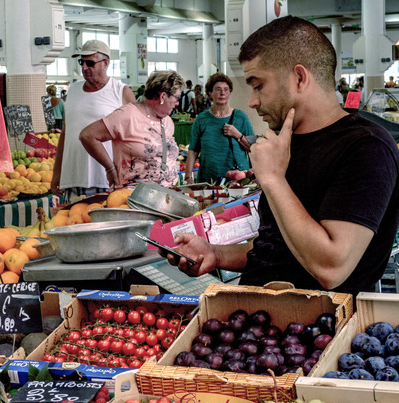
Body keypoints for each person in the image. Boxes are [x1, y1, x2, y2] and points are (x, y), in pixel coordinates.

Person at [163, 16, 399, 296]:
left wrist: (274, 180)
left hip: (313, 330)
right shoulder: (288, 143)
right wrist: (215, 254)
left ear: (299, 78)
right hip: (255, 320)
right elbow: (278, 246)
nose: (252, 101)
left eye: (258, 85)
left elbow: (331, 268)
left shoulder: (367, 147)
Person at [50, 40, 136, 203]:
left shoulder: (120, 91)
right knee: (74, 223)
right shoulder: (74, 90)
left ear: (105, 63)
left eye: (90, 63)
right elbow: (66, 134)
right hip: (73, 179)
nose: (84, 68)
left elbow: (134, 137)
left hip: (107, 180)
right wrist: (57, 173)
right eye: (81, 62)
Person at [80, 70, 183, 189]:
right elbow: (88, 135)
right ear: (163, 96)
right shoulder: (127, 116)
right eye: (176, 98)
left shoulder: (167, 121)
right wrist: (110, 168)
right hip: (132, 198)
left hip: (166, 196)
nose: (177, 103)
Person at [184, 73, 255, 184]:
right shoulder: (201, 119)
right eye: (218, 89)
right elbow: (193, 150)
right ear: (210, 93)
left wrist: (237, 135)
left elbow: (253, 148)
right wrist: (188, 178)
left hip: (237, 179)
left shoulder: (240, 117)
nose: (222, 93)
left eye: (226, 90)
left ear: (229, 93)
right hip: (208, 180)